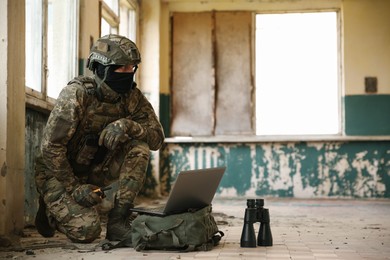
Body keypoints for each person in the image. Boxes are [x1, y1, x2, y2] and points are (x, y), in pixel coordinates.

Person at [34, 34, 165, 243]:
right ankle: (50, 210)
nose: (128, 73)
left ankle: (118, 221)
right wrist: (74, 188)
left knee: (138, 147)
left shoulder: (132, 97)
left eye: (132, 68)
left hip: (96, 167)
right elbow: (51, 149)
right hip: (58, 173)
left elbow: (157, 140)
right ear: (101, 68)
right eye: (121, 68)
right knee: (87, 231)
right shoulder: (76, 94)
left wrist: (129, 126)